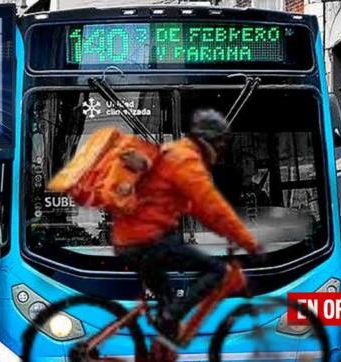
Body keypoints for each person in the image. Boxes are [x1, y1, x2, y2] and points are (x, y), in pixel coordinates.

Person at [54, 109, 261, 343]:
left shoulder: (172, 155)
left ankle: (162, 338)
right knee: (217, 271)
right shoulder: (186, 159)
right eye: (221, 143)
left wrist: (225, 231)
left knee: (166, 302)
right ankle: (169, 317)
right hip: (146, 241)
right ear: (209, 141)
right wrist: (248, 241)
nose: (221, 149)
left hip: (131, 241)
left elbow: (196, 207)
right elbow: (212, 205)